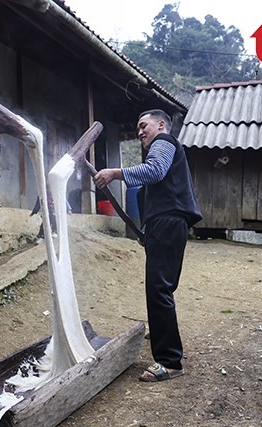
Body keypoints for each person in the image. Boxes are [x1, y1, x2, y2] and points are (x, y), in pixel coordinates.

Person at [94, 109, 202, 383]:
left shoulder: (163, 142)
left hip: (168, 221)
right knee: (162, 286)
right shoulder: (160, 147)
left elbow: (154, 171)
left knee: (158, 288)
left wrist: (114, 173)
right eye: (138, 127)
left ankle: (169, 361)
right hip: (164, 224)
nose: (140, 131)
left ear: (161, 124)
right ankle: (162, 329)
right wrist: (146, 230)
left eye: (144, 125)